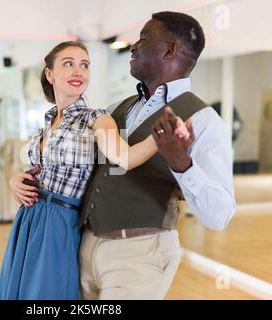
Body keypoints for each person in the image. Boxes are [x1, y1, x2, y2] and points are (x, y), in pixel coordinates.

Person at [0, 41, 190, 300]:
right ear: (50, 74)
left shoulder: (96, 118)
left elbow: (126, 158)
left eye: (84, 65)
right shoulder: (47, 121)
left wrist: (160, 137)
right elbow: (38, 170)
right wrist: (15, 181)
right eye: (69, 64)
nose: (78, 71)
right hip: (29, 219)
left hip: (60, 222)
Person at [75, 11, 236, 299]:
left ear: (170, 49)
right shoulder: (117, 108)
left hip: (139, 256)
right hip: (86, 249)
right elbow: (99, 174)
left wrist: (182, 164)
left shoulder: (203, 121)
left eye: (144, 38)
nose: (133, 46)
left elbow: (219, 215)